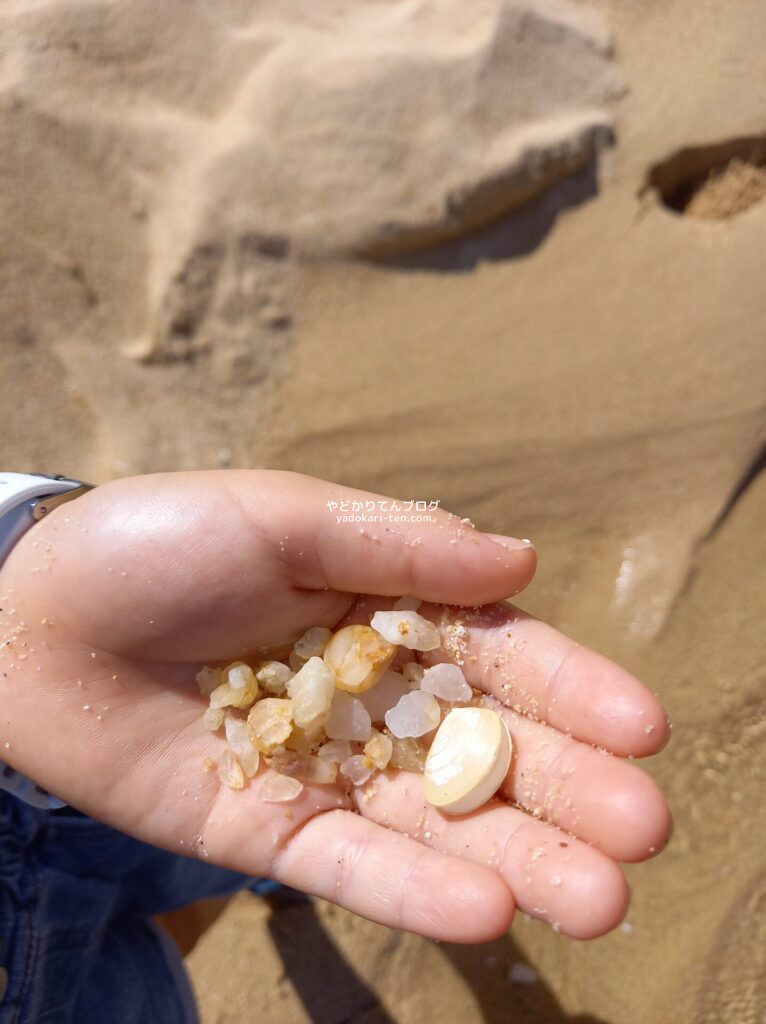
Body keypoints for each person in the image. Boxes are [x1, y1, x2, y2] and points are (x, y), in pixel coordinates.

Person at [0, 470, 672, 1022]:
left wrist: (17, 580)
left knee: (190, 874)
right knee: (147, 971)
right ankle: (248, 884)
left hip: (39, 789)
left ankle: (249, 881)